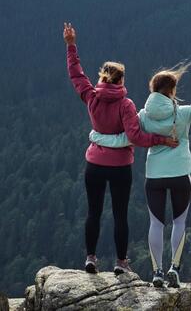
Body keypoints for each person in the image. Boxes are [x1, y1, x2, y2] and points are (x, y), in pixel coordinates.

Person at [90, 63, 191, 288]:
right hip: (180, 173)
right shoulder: (182, 114)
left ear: (152, 89)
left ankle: (156, 272)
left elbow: (126, 139)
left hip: (155, 175)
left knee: (156, 224)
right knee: (179, 222)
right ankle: (174, 268)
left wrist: (98, 138)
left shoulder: (142, 117)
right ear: (172, 91)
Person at [63, 22, 179, 275]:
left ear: (102, 77)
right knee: (120, 215)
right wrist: (162, 140)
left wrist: (71, 45)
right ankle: (120, 262)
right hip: (119, 168)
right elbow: (136, 136)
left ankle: (90, 258)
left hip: (94, 164)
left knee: (93, 212)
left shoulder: (92, 96)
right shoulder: (126, 105)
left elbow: (76, 74)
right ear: (121, 80)